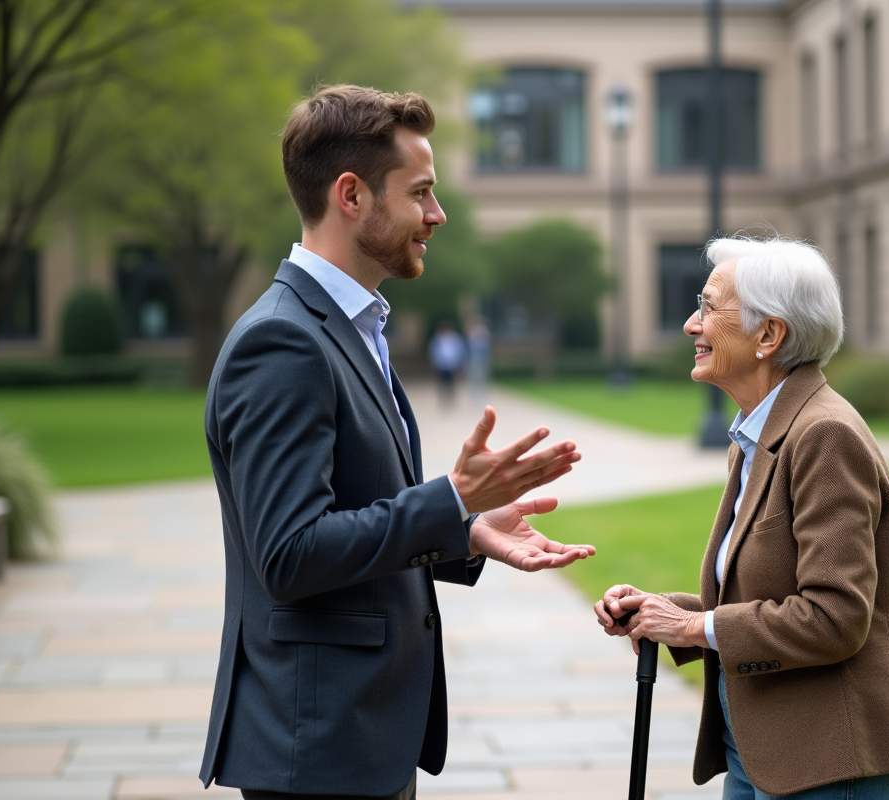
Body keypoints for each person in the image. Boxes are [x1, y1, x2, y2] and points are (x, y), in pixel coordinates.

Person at [199, 85, 594, 800]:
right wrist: (450, 499)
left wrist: (466, 531)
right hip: (316, 752)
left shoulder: (352, 327)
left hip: (357, 739)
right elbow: (289, 555)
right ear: (352, 196)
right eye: (421, 193)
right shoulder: (284, 341)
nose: (436, 215)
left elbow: (356, 510)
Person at [594, 237, 889, 799]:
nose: (689, 325)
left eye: (707, 307)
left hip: (826, 758)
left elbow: (836, 616)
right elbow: (767, 595)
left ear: (768, 336)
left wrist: (693, 628)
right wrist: (660, 611)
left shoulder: (824, 435)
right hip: (760, 747)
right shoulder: (759, 434)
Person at [428, 321, 465, 406]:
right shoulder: (437, 340)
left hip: (452, 365)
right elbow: (433, 352)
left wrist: (459, 364)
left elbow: (460, 352)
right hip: (441, 365)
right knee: (442, 382)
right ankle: (443, 398)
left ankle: (451, 398)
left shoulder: (456, 339)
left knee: (451, 382)